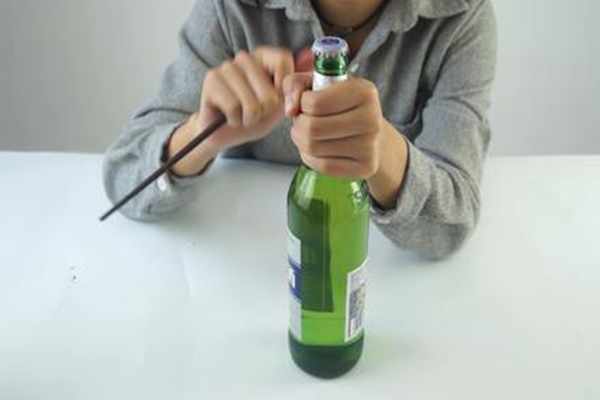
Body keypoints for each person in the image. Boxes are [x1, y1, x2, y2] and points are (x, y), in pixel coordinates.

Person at [103, 0, 497, 260]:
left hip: (377, 280)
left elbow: (454, 221)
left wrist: (384, 153)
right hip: (243, 261)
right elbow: (124, 174)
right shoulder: (230, 7)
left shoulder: (461, 15)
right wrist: (201, 135)